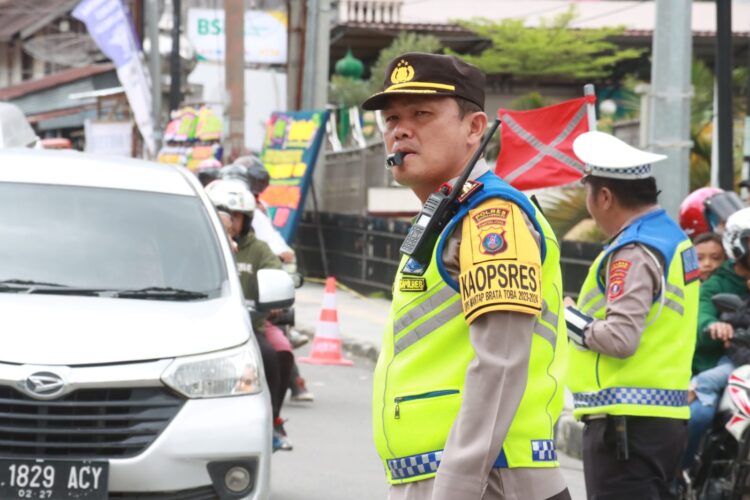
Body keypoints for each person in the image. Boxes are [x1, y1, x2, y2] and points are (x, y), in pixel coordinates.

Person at [363, 53, 570, 500]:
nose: (400, 130)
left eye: (422, 114)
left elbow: (501, 364)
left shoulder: (491, 217)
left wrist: (456, 486)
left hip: (483, 480)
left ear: (475, 128)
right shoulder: (448, 213)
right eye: (391, 117)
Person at [564, 131, 699, 499]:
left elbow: (621, 339)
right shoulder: (673, 238)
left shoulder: (634, 250)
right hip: (660, 420)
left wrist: (569, 317)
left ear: (604, 196)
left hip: (625, 425)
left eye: (588, 194)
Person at [204, 179, 294, 451]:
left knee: (278, 353)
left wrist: (274, 301)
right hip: (205, 327)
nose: (228, 222)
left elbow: (275, 272)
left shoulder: (258, 250)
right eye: (221, 216)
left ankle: (273, 420)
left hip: (252, 326)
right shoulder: (201, 245)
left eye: (234, 217)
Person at [685, 207, 750, 467]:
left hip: (742, 367)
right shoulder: (716, 283)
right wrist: (713, 326)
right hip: (711, 366)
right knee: (699, 415)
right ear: (736, 243)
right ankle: (682, 474)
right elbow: (702, 318)